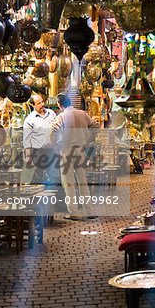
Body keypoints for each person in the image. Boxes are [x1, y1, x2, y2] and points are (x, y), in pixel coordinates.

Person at [50, 93, 99, 221]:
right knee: (83, 182)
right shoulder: (82, 113)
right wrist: (88, 140)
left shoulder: (62, 116)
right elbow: (95, 126)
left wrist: (55, 146)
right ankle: (89, 211)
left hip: (66, 151)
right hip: (80, 150)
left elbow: (53, 131)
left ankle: (74, 212)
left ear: (59, 105)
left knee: (69, 183)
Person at [23, 93, 60, 188]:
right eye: (38, 103)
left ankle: (58, 200)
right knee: (36, 180)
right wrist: (28, 157)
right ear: (33, 105)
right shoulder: (29, 120)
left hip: (51, 151)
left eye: (42, 101)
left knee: (55, 177)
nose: (42, 104)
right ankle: (36, 200)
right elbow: (27, 140)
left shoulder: (51, 113)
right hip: (37, 153)